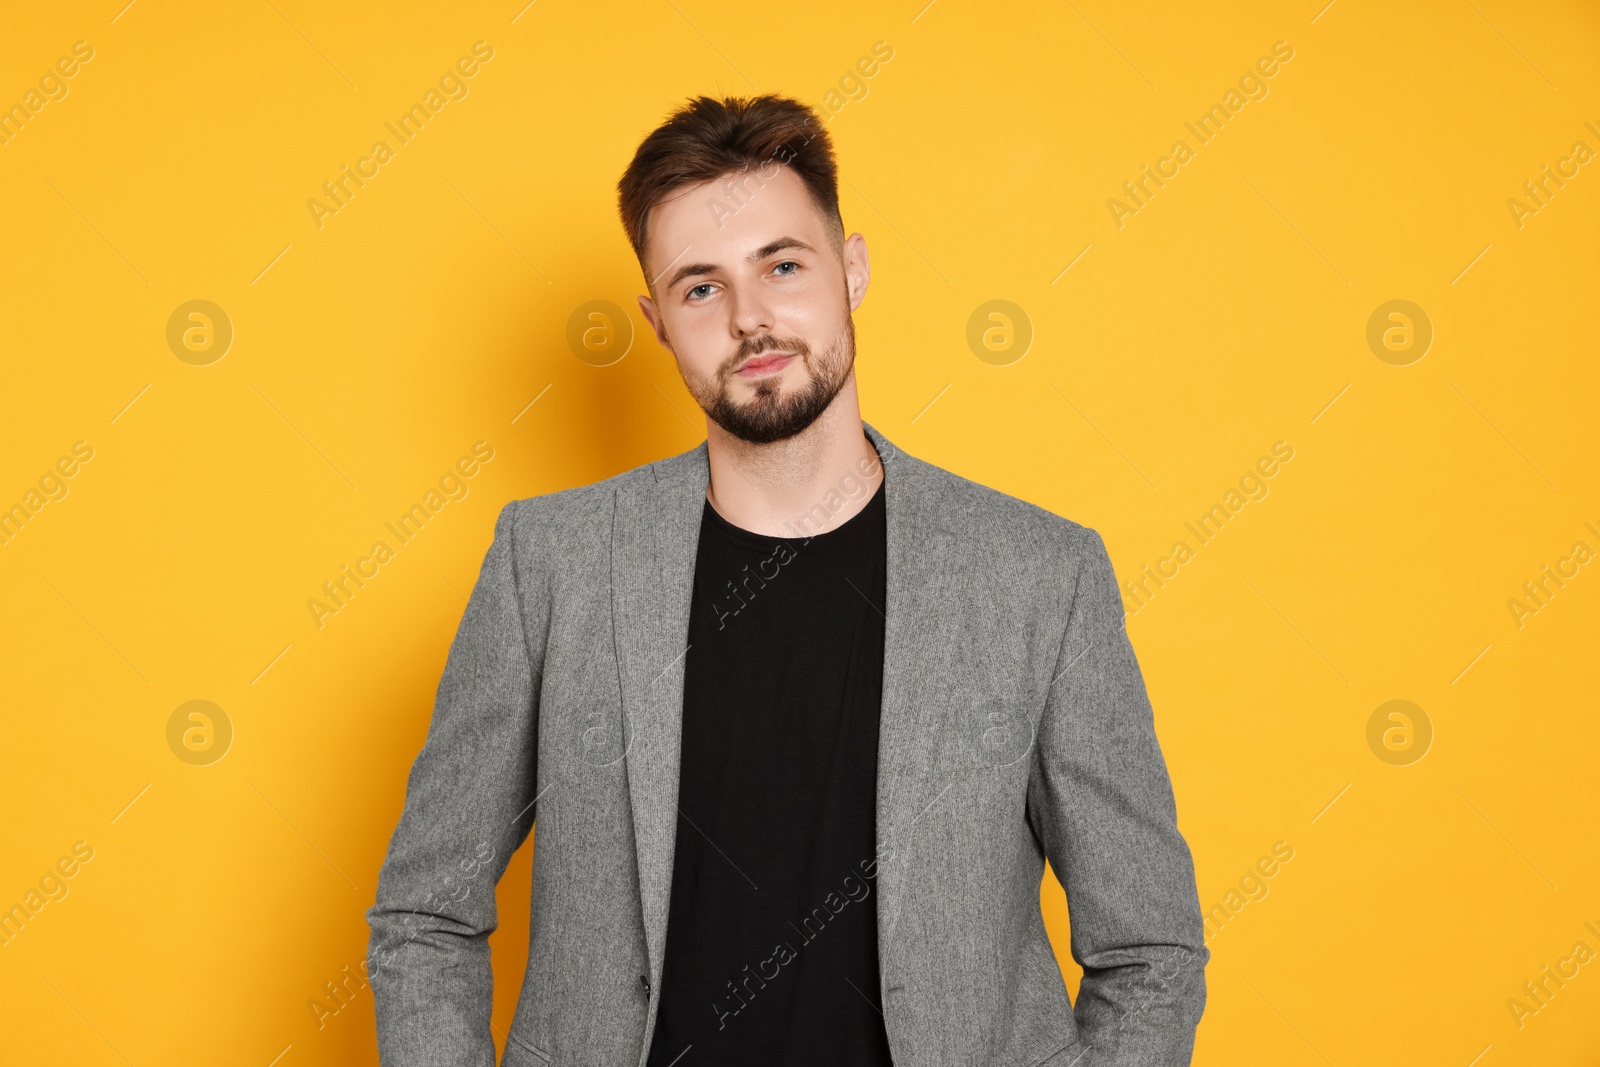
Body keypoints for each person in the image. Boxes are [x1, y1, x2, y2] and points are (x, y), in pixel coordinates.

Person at [366, 93, 1208, 1067]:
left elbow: (1148, 945)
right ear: (656, 321)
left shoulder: (1039, 574)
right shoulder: (548, 561)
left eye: (782, 264)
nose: (750, 317)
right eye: (699, 288)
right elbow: (426, 909)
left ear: (849, 268)